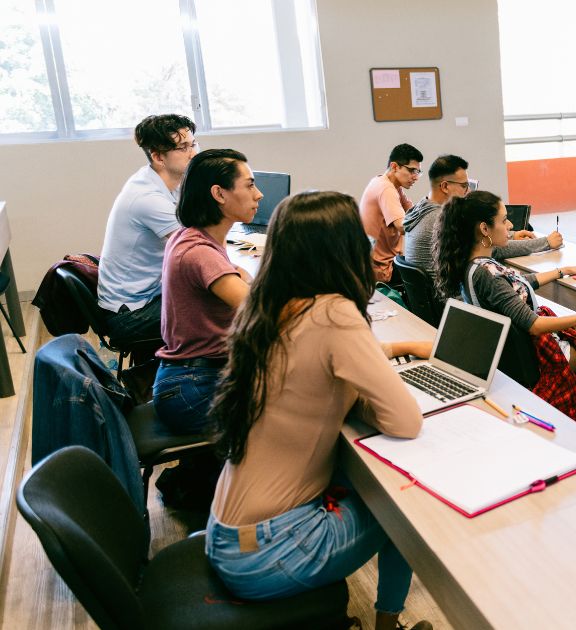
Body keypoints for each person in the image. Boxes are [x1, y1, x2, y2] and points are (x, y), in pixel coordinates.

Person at [206, 190, 433, 630]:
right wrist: (366, 397)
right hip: (270, 551)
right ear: (344, 248)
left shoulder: (267, 305)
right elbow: (405, 421)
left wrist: (369, 376)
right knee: (405, 505)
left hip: (229, 535)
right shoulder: (335, 313)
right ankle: (389, 624)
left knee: (364, 477)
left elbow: (316, 364)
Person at [433, 190, 576, 425]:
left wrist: (562, 271)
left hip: (517, 354)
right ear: (484, 229)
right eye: (504, 221)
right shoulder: (488, 274)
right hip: (538, 359)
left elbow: (515, 288)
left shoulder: (472, 264)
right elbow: (534, 325)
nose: (510, 225)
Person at [153, 149, 257, 436]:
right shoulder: (200, 252)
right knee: (304, 408)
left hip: (188, 379)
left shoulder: (192, 237)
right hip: (194, 389)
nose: (258, 195)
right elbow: (261, 311)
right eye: (249, 185)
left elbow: (242, 275)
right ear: (219, 194)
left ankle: (195, 476)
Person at [97, 113, 198, 354]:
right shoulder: (148, 198)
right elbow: (194, 252)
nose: (193, 152)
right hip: (131, 316)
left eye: (193, 143)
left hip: (148, 296)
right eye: (183, 147)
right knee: (219, 307)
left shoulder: (167, 182)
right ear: (158, 156)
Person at [402, 154, 563, 272]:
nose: (468, 192)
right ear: (445, 186)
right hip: (452, 302)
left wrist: (511, 235)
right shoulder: (442, 220)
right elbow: (491, 248)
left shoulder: (421, 208)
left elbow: (480, 240)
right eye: (464, 186)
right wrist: (545, 242)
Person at [361, 143, 423, 284]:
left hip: (377, 264)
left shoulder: (386, 182)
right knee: (432, 275)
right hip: (382, 270)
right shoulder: (386, 189)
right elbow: (403, 226)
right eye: (412, 171)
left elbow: (413, 211)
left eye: (418, 172)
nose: (415, 177)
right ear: (395, 167)